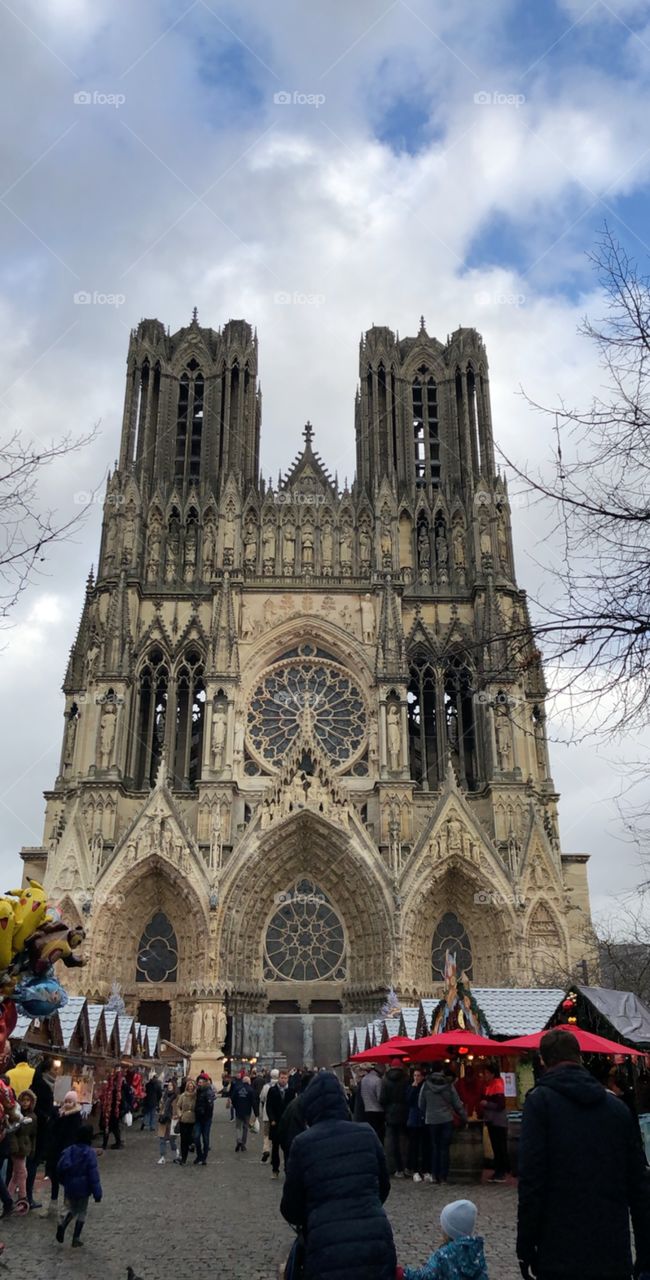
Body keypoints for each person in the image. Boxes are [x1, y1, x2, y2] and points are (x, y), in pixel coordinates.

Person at [517, 1028, 650, 1280]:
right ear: (579, 1057)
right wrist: (645, 1251)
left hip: (559, 1249)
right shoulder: (617, 1109)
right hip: (611, 1248)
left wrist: (525, 1247)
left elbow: (531, 1182)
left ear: (543, 1061)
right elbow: (639, 1187)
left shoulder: (540, 1104)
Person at [281, 1071, 396, 1280]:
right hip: (375, 1239)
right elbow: (384, 1186)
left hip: (326, 1243)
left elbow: (291, 1207)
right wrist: (366, 1206)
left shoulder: (303, 1143)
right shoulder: (367, 1134)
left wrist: (314, 1216)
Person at [397, 1198, 489, 1280]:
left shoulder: (443, 1255)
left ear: (449, 1231)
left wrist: (402, 1273)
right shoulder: (476, 1254)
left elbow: (425, 1276)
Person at [55, 1122, 102, 1248]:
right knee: (81, 1211)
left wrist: (62, 1181)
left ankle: (63, 1223)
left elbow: (60, 1167)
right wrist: (97, 1193)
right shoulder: (89, 1153)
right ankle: (76, 1238)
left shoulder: (69, 1150)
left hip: (70, 1186)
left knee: (68, 1206)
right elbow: (93, 1175)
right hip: (83, 1188)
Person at [419, 1066, 466, 1186]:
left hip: (432, 1120)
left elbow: (421, 1103)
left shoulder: (426, 1085)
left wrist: (428, 1112)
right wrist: (464, 1117)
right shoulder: (448, 1085)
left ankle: (434, 1175)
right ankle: (443, 1177)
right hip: (446, 1120)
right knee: (444, 1148)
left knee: (434, 1147)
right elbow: (457, 1103)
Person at [41, 1090, 83, 1217]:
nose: (68, 1103)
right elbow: (52, 1129)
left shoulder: (75, 1116)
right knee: (54, 1178)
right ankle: (52, 1205)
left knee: (66, 1180)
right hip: (55, 1151)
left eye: (70, 1101)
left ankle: (67, 1206)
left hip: (67, 1152)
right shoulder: (58, 1113)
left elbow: (72, 1135)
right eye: (66, 1101)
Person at [478, 1063, 508, 1183]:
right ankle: (498, 1170)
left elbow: (501, 1105)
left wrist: (487, 1104)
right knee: (496, 1146)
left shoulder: (498, 1085)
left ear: (492, 1074)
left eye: (486, 1073)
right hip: (491, 1120)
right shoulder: (489, 1085)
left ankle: (502, 1172)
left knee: (500, 1146)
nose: (484, 1076)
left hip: (498, 1121)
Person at [8, 1089, 37, 1210]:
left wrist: (32, 1149)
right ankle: (22, 1197)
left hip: (24, 1147)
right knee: (22, 1173)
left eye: (28, 1100)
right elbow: (15, 1132)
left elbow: (33, 1135)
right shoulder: (17, 1116)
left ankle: (8, 1197)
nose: (25, 1103)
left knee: (16, 1174)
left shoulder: (32, 1117)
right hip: (17, 1148)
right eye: (23, 1100)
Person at [380, 1057, 409, 1177]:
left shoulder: (386, 1080)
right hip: (404, 1113)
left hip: (391, 1114)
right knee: (406, 1141)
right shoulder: (406, 1079)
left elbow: (382, 1099)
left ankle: (397, 1168)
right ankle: (407, 1166)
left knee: (393, 1142)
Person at [266, 1069, 294, 1176]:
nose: (283, 1080)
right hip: (276, 1123)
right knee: (275, 1147)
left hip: (287, 1124)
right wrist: (272, 1119)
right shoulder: (272, 1090)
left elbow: (293, 1106)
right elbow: (269, 1106)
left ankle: (287, 1168)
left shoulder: (291, 1091)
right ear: (278, 1078)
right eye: (282, 1078)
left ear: (288, 1079)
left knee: (287, 1148)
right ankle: (275, 1169)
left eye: (285, 1078)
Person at [406, 1067, 431, 1183]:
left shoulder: (426, 1088)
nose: (416, 1078)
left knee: (425, 1147)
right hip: (414, 1120)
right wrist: (413, 1088)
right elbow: (408, 1101)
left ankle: (425, 1170)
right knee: (414, 1147)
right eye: (415, 1075)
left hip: (424, 1119)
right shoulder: (411, 1087)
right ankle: (415, 1170)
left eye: (418, 1075)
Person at [228, 1072, 258, 1154]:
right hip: (247, 1111)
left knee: (238, 1127)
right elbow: (254, 1102)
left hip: (238, 1110)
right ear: (249, 1082)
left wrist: (235, 1106)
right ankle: (243, 1144)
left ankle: (238, 1140)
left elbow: (233, 1099)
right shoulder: (251, 1090)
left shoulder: (237, 1088)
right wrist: (256, 1113)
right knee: (245, 1128)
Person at [194, 1072, 215, 1165]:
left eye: (201, 1081)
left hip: (206, 1119)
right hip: (198, 1118)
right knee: (196, 1137)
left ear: (206, 1082)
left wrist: (204, 1111)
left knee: (205, 1138)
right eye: (199, 1081)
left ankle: (204, 1157)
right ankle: (199, 1155)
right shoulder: (197, 1091)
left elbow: (210, 1105)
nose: (199, 1082)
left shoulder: (208, 1091)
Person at [360, 1064, 385, 1143]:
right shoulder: (378, 1080)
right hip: (377, 1111)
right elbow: (380, 1097)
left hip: (367, 1110)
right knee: (379, 1135)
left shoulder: (363, 1080)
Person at [157, 1079, 179, 1165]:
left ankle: (176, 1152)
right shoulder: (164, 1096)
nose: (169, 1086)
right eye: (168, 1085)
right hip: (163, 1119)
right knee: (162, 1138)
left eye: (171, 1085)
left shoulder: (177, 1096)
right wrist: (161, 1110)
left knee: (171, 1139)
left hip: (172, 1119)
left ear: (174, 1086)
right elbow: (160, 1105)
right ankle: (162, 1157)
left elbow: (179, 1107)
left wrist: (177, 1115)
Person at [259, 1068, 278, 1164]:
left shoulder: (266, 1086)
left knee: (266, 1134)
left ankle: (266, 1149)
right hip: (278, 1115)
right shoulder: (280, 1086)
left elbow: (262, 1098)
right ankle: (275, 1152)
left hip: (267, 1114)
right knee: (276, 1134)